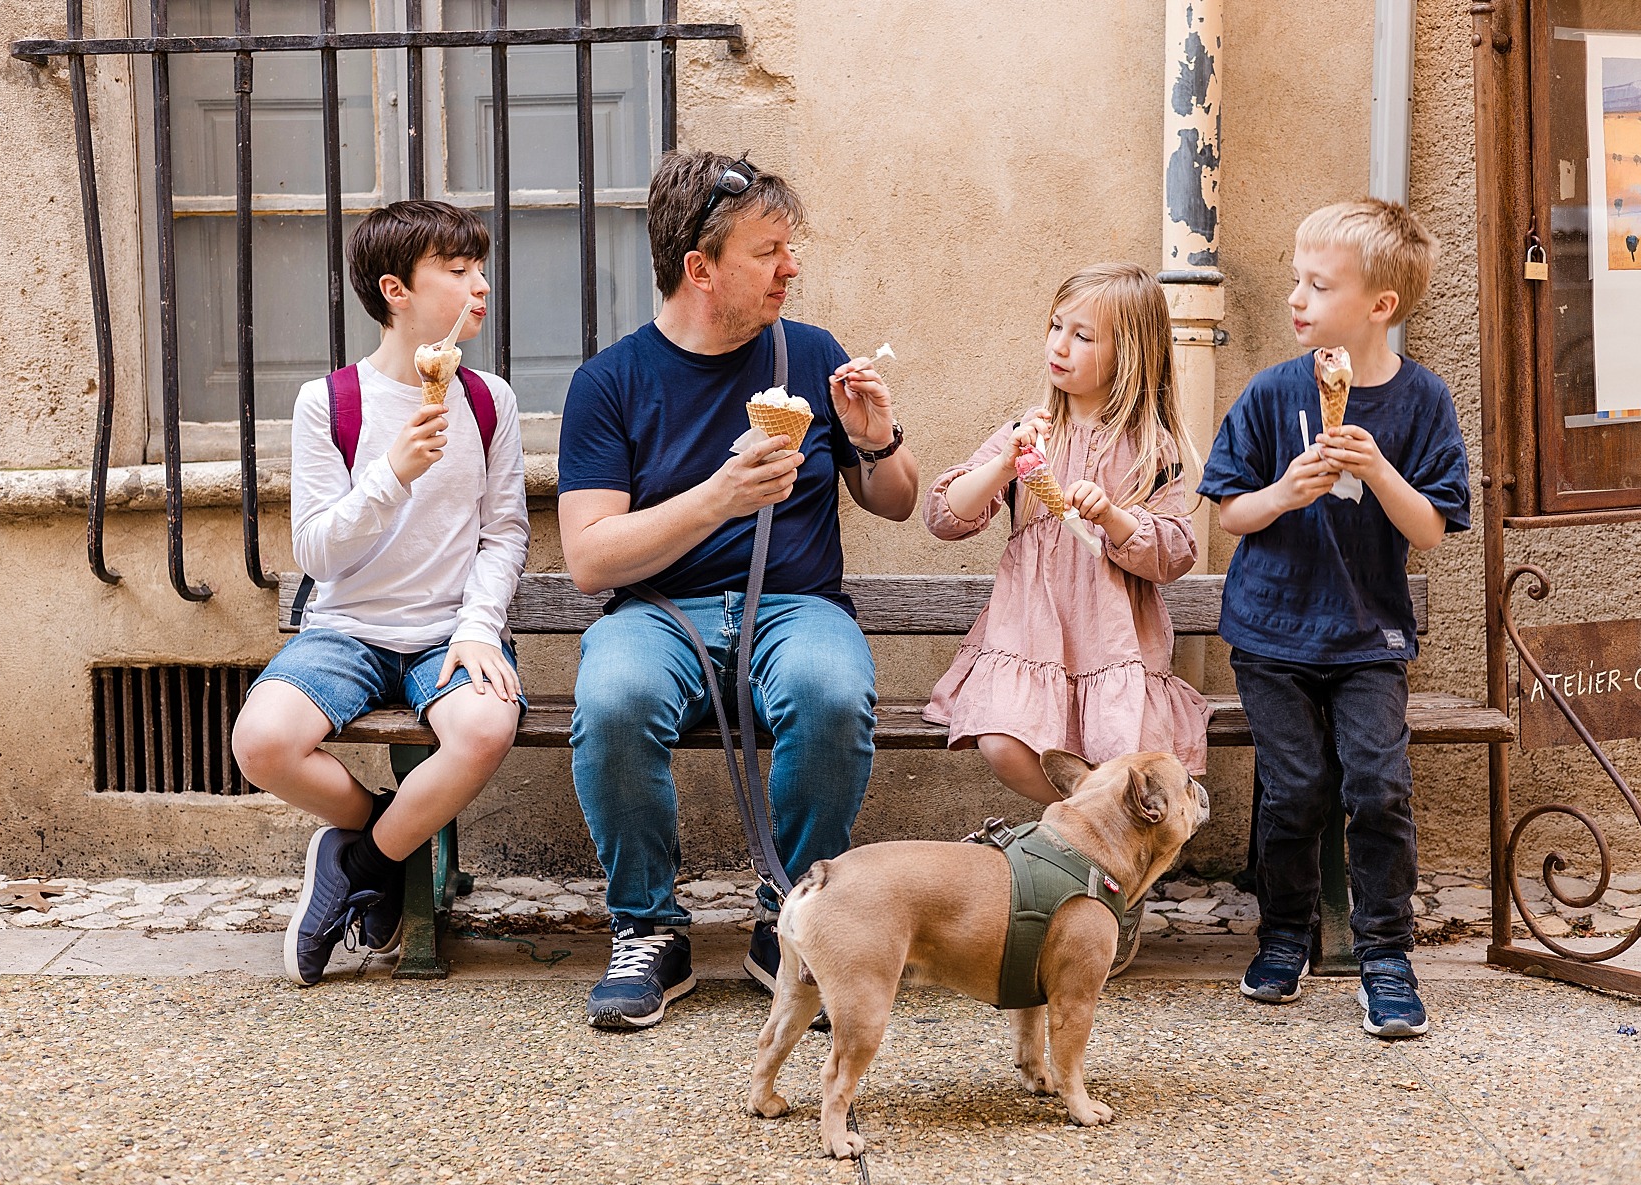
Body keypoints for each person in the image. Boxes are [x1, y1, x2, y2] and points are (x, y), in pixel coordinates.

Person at [558, 150, 920, 1029]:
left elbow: (898, 500)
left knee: (831, 691)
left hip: (797, 610)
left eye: (789, 248)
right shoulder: (610, 383)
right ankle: (647, 925)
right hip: (657, 610)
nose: (790, 267)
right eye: (769, 251)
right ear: (701, 268)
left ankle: (792, 920)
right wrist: (719, 496)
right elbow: (592, 559)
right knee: (614, 698)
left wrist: (875, 441)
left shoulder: (813, 355)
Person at [232, 200, 530, 988]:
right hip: (349, 628)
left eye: (481, 269)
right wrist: (391, 476)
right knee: (260, 743)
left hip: (449, 631)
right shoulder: (331, 403)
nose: (481, 287)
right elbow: (317, 551)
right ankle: (386, 850)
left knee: (483, 731)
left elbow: (504, 534)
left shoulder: (489, 399)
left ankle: (359, 861)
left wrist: (477, 627)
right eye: (459, 272)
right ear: (396, 290)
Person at [1197, 198, 1469, 1038]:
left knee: (1378, 788)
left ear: (1380, 305)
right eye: (1296, 281)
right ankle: (1286, 935)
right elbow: (1230, 513)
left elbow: (1430, 526)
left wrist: (1378, 470)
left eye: (1318, 285)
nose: (1296, 299)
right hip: (1272, 631)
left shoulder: (1423, 401)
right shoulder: (1275, 391)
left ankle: (1387, 952)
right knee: (1295, 790)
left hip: (1368, 639)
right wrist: (1287, 491)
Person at [921, 262, 1211, 970]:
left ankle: (1114, 889)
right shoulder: (1029, 430)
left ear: (1130, 355)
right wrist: (1006, 464)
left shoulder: (1153, 449)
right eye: (1057, 327)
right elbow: (945, 516)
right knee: (1003, 744)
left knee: (1119, 759)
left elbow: (1175, 553)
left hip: (1111, 646)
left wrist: (1113, 516)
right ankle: (1080, 855)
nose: (1060, 344)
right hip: (1030, 639)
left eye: (1083, 335)